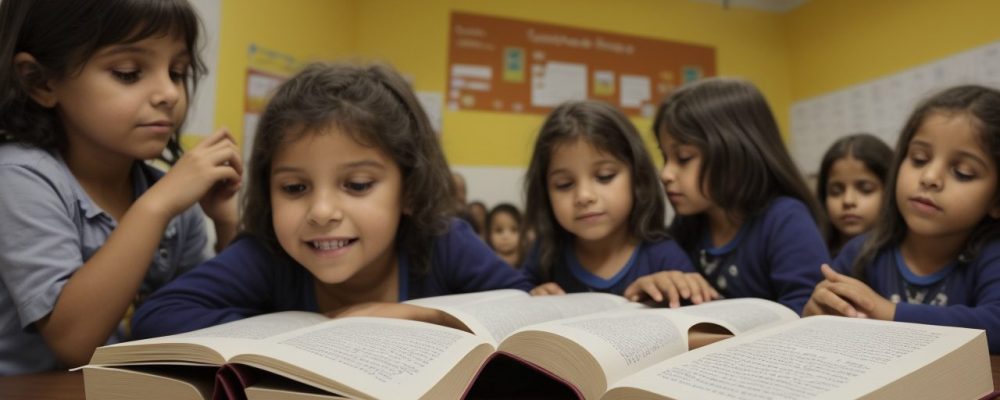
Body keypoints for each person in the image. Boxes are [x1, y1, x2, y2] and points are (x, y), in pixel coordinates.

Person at [132, 63, 534, 338]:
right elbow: (157, 317)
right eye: (294, 189)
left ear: (409, 191)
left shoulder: (442, 242)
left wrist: (423, 314)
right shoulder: (268, 254)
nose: (322, 212)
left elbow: (523, 307)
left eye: (357, 185)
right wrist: (315, 329)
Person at [0, 0, 242, 374]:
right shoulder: (18, 176)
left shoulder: (168, 193)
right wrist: (155, 207)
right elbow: (75, 344)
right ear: (41, 81)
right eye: (128, 73)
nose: (170, 93)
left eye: (177, 72)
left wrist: (228, 222)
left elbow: (216, 320)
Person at [804, 85, 1000, 353]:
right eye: (919, 159)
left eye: (963, 172)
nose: (929, 178)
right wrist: (815, 314)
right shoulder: (861, 253)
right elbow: (823, 319)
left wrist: (887, 311)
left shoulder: (992, 256)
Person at [645, 78, 828, 314]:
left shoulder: (785, 219)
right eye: (664, 157)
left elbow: (808, 309)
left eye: (683, 158)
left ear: (736, 153)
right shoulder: (686, 226)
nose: (665, 174)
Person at [521, 100, 705, 305]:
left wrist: (672, 288)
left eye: (604, 176)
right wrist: (534, 294)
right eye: (564, 184)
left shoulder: (663, 256)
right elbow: (520, 293)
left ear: (637, 178)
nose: (584, 196)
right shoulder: (546, 252)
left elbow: (703, 319)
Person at [816, 133, 893, 256]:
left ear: (890, 192)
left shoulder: (899, 258)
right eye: (836, 191)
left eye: (865, 189)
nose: (848, 201)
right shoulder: (814, 251)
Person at [485, 203, 524, 268]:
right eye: (499, 230)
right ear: (489, 234)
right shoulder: (486, 260)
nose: (506, 236)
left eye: (514, 230)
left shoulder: (528, 260)